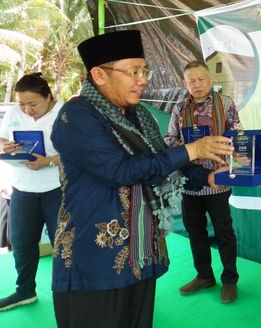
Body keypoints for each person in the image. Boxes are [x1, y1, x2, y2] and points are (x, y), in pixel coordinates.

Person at [50, 30, 233, 328]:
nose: (143, 79)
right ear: (99, 75)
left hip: (139, 253)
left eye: (144, 70)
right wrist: (192, 150)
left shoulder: (140, 115)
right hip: (95, 260)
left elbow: (163, 161)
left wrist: (207, 176)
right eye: (133, 71)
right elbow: (121, 170)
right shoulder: (77, 116)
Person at [164, 60, 241, 303]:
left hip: (218, 181)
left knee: (224, 232)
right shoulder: (179, 108)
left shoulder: (225, 103)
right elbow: (168, 140)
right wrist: (192, 149)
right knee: (194, 231)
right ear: (184, 83)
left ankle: (230, 280)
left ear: (210, 80)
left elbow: (238, 138)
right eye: (191, 81)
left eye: (201, 79)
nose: (197, 85)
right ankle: (204, 276)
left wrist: (227, 166)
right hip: (190, 183)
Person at [0, 73, 62, 311]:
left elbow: (79, 153)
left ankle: (69, 293)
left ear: (49, 97)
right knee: (22, 242)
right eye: (21, 104)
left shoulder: (65, 113)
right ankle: (25, 291)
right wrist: (5, 146)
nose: (26, 109)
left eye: (32, 104)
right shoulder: (16, 113)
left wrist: (48, 161)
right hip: (22, 189)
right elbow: (2, 137)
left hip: (57, 189)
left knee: (64, 244)